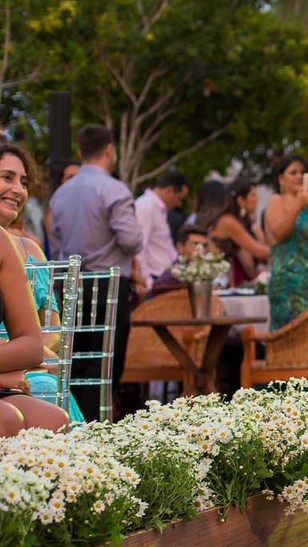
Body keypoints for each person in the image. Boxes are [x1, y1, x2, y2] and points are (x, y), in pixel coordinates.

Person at [48, 124, 143, 421]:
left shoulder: (61, 194)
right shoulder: (114, 190)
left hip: (70, 286)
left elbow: (56, 240)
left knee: (74, 364)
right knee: (106, 366)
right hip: (107, 286)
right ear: (109, 151)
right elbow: (131, 239)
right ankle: (97, 429)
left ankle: (73, 424)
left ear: (80, 151)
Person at [0, 144, 83, 423]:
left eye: (23, 182)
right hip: (10, 363)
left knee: (52, 408)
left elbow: (47, 329)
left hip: (20, 360)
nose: (18, 190)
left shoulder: (22, 248)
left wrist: (30, 358)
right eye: (7, 177)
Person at [264, 155, 308, 330]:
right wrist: (297, 205)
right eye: (293, 172)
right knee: (288, 334)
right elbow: (280, 234)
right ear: (281, 178)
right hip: (286, 283)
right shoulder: (276, 201)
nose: (298, 176)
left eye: (301, 173)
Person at [134, 169, 190, 288]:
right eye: (179, 198)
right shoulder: (146, 206)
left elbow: (165, 246)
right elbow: (138, 247)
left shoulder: (159, 209)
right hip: (154, 278)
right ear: (169, 191)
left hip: (164, 277)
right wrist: (147, 282)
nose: (179, 204)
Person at [209, 178, 270, 287]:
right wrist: (284, 250)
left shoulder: (236, 221)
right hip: (219, 280)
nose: (258, 199)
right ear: (241, 200)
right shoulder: (228, 222)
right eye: (253, 195)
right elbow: (256, 250)